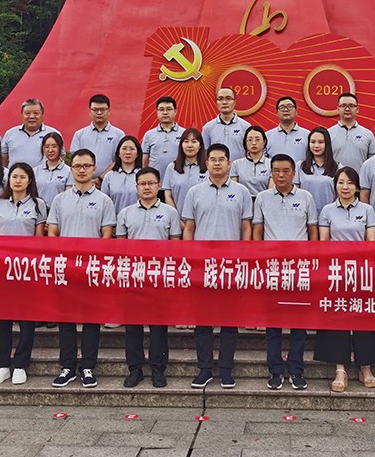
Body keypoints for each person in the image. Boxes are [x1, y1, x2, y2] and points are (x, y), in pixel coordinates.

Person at [181, 143, 253, 389]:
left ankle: (226, 369)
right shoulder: (195, 192)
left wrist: (244, 257)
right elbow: (189, 228)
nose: (217, 163)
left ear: (229, 163)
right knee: (203, 321)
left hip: (232, 264)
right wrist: (189, 259)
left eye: (222, 159)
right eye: (213, 159)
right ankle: (204, 368)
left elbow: (246, 227)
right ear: (207, 163)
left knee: (229, 321)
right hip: (202, 265)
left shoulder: (242, 192)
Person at [48, 148, 117, 388]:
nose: (81, 170)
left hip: (91, 268)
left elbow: (107, 235)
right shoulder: (60, 199)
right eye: (77, 166)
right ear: (71, 168)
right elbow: (52, 232)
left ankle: (88, 366)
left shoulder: (104, 200)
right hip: (65, 268)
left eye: (86, 166)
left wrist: (94, 261)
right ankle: (67, 366)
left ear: (94, 169)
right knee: (65, 320)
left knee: (90, 320)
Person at [252, 154, 317, 390]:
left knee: (299, 323)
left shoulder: (306, 197)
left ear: (294, 173)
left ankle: (297, 369)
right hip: (272, 267)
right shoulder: (262, 198)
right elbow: (257, 231)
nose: (281, 175)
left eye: (286, 171)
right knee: (273, 325)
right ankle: (275, 370)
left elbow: (313, 231)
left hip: (299, 268)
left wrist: (313, 260)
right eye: (276, 171)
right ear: (271, 173)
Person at [315, 167, 375, 392]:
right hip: (336, 272)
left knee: (364, 318)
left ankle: (365, 367)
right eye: (341, 182)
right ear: (335, 185)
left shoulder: (367, 210)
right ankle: (340, 369)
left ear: (357, 186)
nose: (345, 187)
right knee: (337, 318)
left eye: (350, 183)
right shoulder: (327, 210)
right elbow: (324, 243)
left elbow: (370, 243)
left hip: (361, 271)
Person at [116, 167, 181, 388]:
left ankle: (158, 369)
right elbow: (120, 246)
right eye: (142, 184)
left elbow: (175, 246)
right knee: (132, 326)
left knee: (158, 326)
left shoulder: (170, 213)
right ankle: (135, 369)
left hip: (159, 277)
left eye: (151, 183)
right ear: (136, 187)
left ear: (159, 185)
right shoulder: (125, 213)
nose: (147, 187)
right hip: (133, 276)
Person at [0, 163, 47, 386]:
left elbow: (39, 240)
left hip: (26, 268)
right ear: (9, 180)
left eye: (22, 177)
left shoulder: (38, 204)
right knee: (0, 318)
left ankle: (21, 363)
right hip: (2, 268)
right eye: (14, 176)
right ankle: (1, 364)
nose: (18, 180)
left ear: (29, 180)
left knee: (26, 319)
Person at [70, 94, 126, 176]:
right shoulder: (80, 134)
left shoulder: (119, 134)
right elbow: (75, 161)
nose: (99, 113)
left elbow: (119, 160)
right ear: (89, 111)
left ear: (109, 111)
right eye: (95, 110)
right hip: (84, 179)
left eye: (103, 109)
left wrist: (101, 178)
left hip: (110, 179)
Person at [296, 127, 342, 217]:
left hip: (330, 217)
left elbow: (340, 195)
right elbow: (295, 193)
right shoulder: (300, 166)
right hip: (304, 216)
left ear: (327, 144)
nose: (316, 146)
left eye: (321, 142)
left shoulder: (337, 167)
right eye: (313, 142)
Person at [2, 98, 60, 167]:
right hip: (16, 174)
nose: (32, 116)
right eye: (27, 113)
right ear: (22, 114)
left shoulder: (53, 134)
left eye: (36, 113)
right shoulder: (10, 133)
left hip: (43, 174)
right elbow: (3, 161)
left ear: (42, 114)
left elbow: (61, 159)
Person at [141, 96, 185, 183]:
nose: (165, 112)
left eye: (169, 109)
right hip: (155, 183)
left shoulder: (184, 133)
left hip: (177, 181)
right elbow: (144, 161)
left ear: (175, 111)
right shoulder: (149, 135)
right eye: (161, 109)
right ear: (157, 112)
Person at [328, 92, 375, 171]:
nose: (347, 109)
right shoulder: (328, 133)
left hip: (360, 178)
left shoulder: (368, 134)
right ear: (338, 109)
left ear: (357, 109)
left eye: (351, 106)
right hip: (336, 178)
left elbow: (372, 163)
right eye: (343, 106)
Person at [162, 128, 208, 210]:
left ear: (200, 145)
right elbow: (168, 195)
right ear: (181, 145)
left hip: (203, 215)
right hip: (178, 215)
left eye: (194, 141)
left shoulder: (208, 167)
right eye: (186, 141)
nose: (190, 145)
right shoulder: (172, 167)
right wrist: (175, 216)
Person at [102, 135, 143, 213]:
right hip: (114, 218)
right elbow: (104, 203)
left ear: (138, 153)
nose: (128, 152)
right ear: (118, 153)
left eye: (132, 149)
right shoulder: (109, 176)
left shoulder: (143, 175)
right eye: (124, 149)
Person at [265, 96, 309, 165]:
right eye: (282, 107)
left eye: (289, 106)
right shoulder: (267, 136)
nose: (286, 110)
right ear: (277, 113)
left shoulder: (307, 135)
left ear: (296, 112)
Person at [231, 126, 272, 197]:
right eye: (250, 140)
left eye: (257, 139)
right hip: (243, 201)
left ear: (264, 142)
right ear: (245, 142)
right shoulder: (236, 164)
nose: (254, 143)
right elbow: (234, 190)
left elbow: (271, 192)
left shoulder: (271, 164)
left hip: (264, 201)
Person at [34, 132, 71, 206]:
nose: (50, 150)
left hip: (60, 210)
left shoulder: (69, 171)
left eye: (54, 146)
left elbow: (69, 197)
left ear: (60, 148)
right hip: (39, 210)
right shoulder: (35, 171)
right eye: (46, 147)